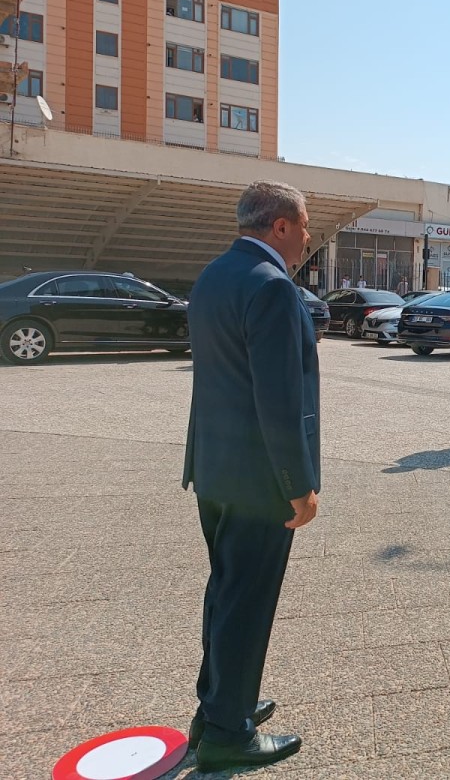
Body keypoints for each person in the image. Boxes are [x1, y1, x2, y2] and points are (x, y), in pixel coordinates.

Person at [182, 180, 319, 771]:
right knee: (246, 600)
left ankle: (218, 701)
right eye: (305, 225)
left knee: (225, 590)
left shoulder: (215, 274)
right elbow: (279, 400)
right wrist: (299, 483)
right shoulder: (271, 288)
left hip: (214, 467)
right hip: (260, 479)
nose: (309, 237)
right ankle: (227, 733)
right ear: (281, 226)